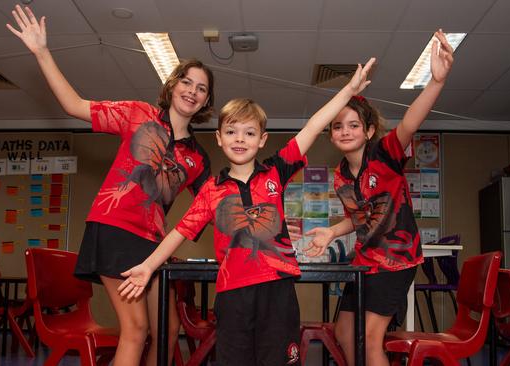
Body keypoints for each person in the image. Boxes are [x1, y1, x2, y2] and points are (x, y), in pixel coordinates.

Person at [117, 57, 375, 365]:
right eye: (232, 132)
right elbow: (179, 232)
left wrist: (348, 91)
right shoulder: (211, 190)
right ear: (219, 138)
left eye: (249, 133)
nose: (240, 139)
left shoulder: (276, 173)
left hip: (277, 292)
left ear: (262, 140)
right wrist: (148, 266)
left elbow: (313, 126)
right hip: (232, 295)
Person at [7, 5, 214, 365]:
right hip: (114, 229)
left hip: (153, 245)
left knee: (166, 330)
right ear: (172, 84)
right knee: (135, 331)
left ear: (207, 102)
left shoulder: (197, 158)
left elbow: (214, 207)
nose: (192, 92)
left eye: (201, 89)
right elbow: (74, 105)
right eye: (186, 82)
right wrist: (41, 51)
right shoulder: (138, 114)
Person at [304, 29, 454, 366]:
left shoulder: (386, 153)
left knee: (372, 339)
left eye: (353, 125)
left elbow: (412, 121)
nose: (345, 131)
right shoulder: (341, 174)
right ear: (331, 135)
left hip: (396, 262)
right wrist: (331, 232)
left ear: (369, 130)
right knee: (344, 333)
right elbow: (359, 219)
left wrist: (436, 82)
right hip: (364, 264)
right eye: (338, 126)